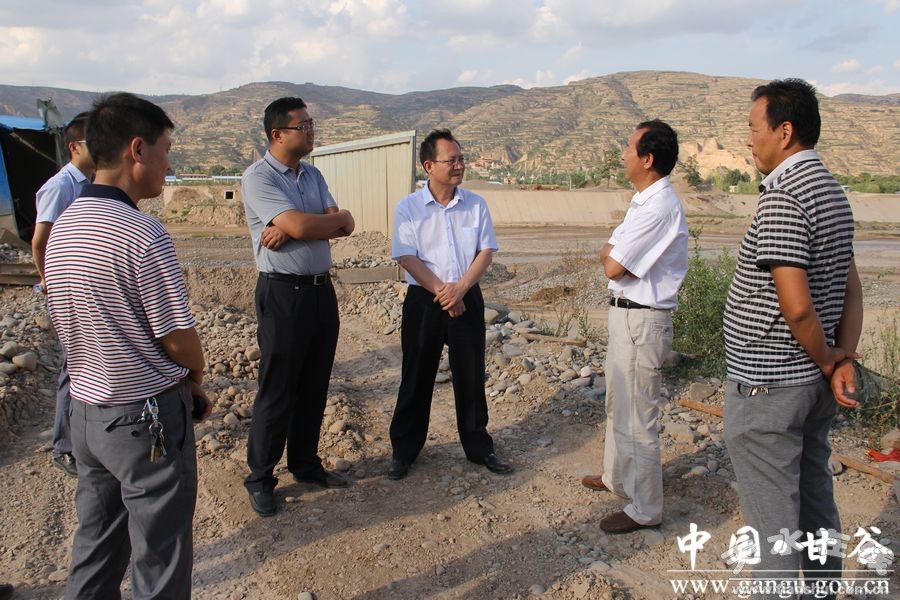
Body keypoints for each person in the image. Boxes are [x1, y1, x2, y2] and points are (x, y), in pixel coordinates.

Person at [44, 92, 210, 599]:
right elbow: (177, 338)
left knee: (96, 545)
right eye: (166, 150)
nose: (168, 164)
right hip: (143, 420)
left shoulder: (64, 225)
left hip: (86, 412)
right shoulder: (141, 233)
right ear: (138, 150)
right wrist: (195, 375)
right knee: (160, 556)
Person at [722, 79, 861, 597]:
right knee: (814, 495)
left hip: (770, 386)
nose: (748, 140)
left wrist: (827, 358)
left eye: (753, 128)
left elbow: (797, 306)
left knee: (772, 522)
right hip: (809, 384)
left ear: (784, 132)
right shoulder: (832, 192)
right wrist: (841, 359)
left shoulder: (784, 195)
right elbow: (850, 290)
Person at [241, 97, 355, 517]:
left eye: (311, 124)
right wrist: (305, 224)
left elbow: (346, 223)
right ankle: (260, 478)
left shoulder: (313, 173)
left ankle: (305, 464)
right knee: (278, 388)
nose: (311, 131)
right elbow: (318, 222)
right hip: (283, 293)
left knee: (314, 383)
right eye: (302, 126)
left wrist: (295, 228)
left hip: (321, 292)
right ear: (277, 134)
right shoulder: (257, 178)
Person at [581, 120, 688, 534]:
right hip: (626, 315)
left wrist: (612, 254)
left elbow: (612, 264)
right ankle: (617, 478)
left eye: (629, 147)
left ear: (647, 159)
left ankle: (646, 508)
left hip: (642, 319)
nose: (622, 154)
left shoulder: (659, 207)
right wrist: (613, 254)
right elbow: (611, 253)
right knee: (618, 405)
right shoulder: (643, 201)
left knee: (638, 415)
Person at [387, 128, 512, 480]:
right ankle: (404, 451)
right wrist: (445, 292)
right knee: (416, 375)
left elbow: (485, 251)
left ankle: (479, 447)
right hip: (425, 300)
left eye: (461, 159)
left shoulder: (475, 204)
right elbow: (406, 256)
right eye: (451, 160)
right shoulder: (409, 208)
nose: (459, 165)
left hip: (467, 296)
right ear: (429, 165)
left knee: (470, 375)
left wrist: (461, 290)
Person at [32, 111, 95, 478]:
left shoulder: (89, 183)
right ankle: (64, 446)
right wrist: (51, 282)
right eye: (94, 142)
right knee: (73, 369)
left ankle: (84, 438)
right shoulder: (62, 187)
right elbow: (40, 241)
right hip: (69, 292)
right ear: (74, 147)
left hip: (87, 290)